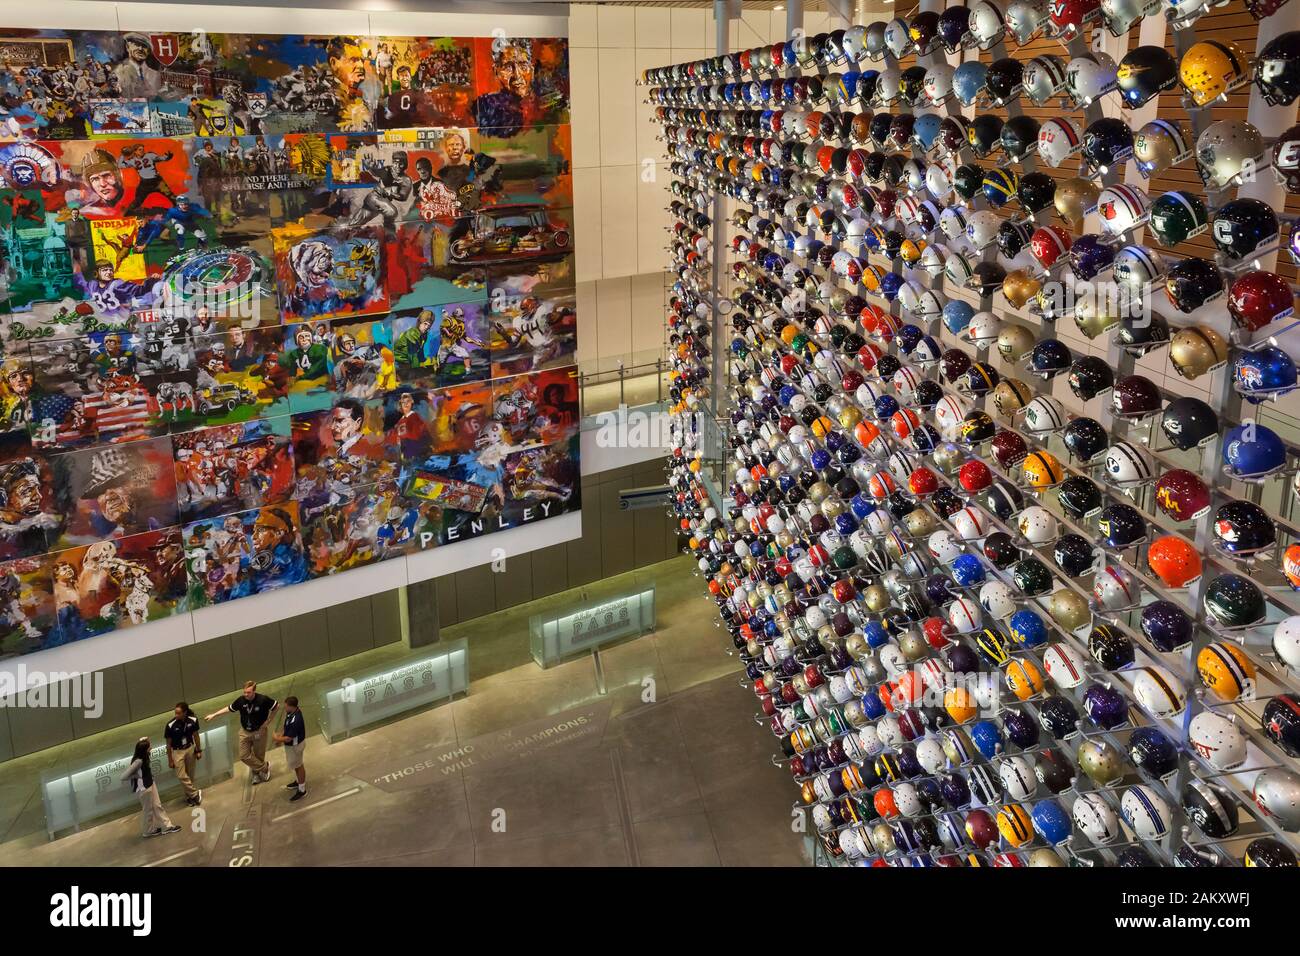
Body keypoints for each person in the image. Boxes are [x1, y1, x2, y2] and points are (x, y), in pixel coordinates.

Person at [205, 680, 277, 783]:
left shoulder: (263, 699)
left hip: (259, 731)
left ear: (254, 691)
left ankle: (256, 774)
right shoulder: (241, 700)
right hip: (245, 731)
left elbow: (276, 707)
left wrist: (268, 721)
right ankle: (264, 768)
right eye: (244, 692)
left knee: (258, 755)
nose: (246, 694)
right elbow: (229, 708)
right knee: (244, 756)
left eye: (248, 692)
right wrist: (214, 715)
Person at [121, 736, 180, 838]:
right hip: (144, 788)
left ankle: (166, 826)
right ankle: (148, 831)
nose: (151, 748)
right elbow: (123, 776)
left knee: (157, 806)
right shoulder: (138, 761)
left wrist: (145, 740)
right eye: (149, 747)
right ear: (145, 750)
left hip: (150, 784)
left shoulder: (144, 755)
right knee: (148, 810)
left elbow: (142, 744)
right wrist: (138, 776)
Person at [164, 701, 203, 807]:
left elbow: (196, 736)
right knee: (181, 776)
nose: (176, 715)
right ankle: (195, 794)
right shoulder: (170, 725)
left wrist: (198, 750)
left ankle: (189, 797)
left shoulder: (193, 720)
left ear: (185, 713)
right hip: (177, 752)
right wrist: (170, 760)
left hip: (190, 748)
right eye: (175, 713)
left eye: (178, 713)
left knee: (190, 776)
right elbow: (168, 744)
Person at [273, 696, 307, 801]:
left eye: (286, 706)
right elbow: (285, 728)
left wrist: (277, 738)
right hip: (291, 746)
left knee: (299, 765)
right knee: (296, 765)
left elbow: (288, 738)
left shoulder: (296, 720)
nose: (284, 708)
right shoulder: (291, 713)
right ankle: (298, 782)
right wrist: (280, 737)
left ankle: (302, 790)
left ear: (292, 707)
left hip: (295, 746)